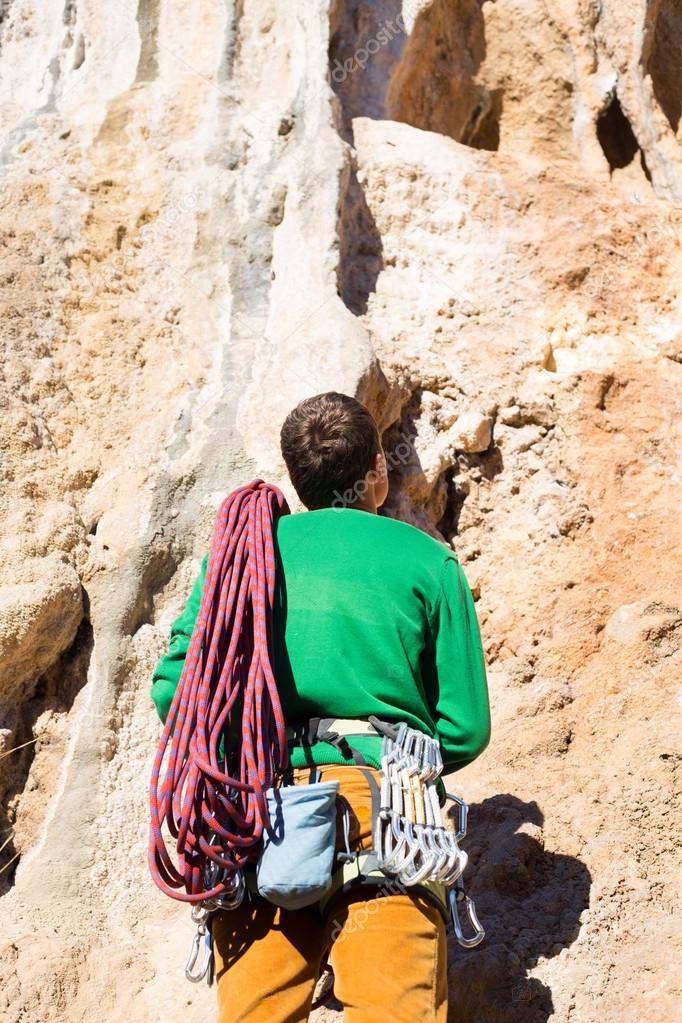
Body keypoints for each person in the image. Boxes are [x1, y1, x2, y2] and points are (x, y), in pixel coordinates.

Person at [150, 390, 491, 1023]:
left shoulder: (238, 563)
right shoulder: (427, 562)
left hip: (252, 814)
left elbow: (175, 688)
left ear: (300, 479)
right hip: (389, 809)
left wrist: (253, 737)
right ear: (378, 469)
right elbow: (464, 728)